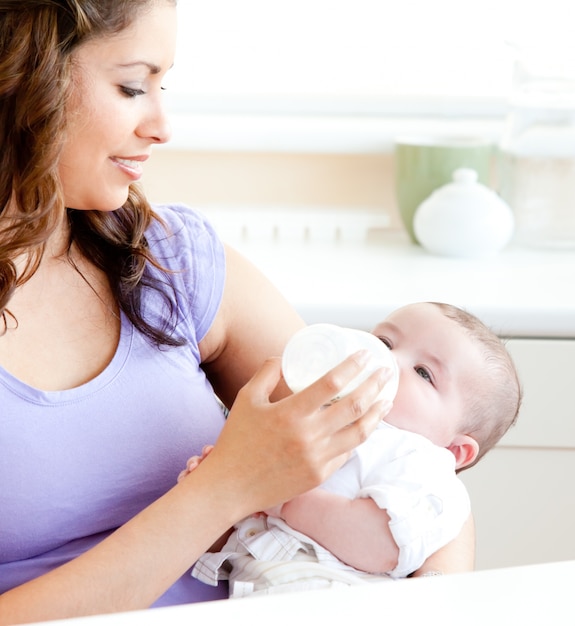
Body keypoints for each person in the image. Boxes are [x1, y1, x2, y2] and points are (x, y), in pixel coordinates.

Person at [0, 2, 474, 623]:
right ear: (21, 73)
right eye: (133, 86)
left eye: (162, 87)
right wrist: (225, 487)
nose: (162, 126)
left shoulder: (169, 262)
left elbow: (407, 471)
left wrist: (431, 606)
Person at [182, 302, 522, 597]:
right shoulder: (312, 417)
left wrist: (282, 499)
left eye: (423, 372)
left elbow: (380, 543)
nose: (388, 359)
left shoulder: (420, 461)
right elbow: (240, 538)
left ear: (455, 450)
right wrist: (220, 487)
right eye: (385, 341)